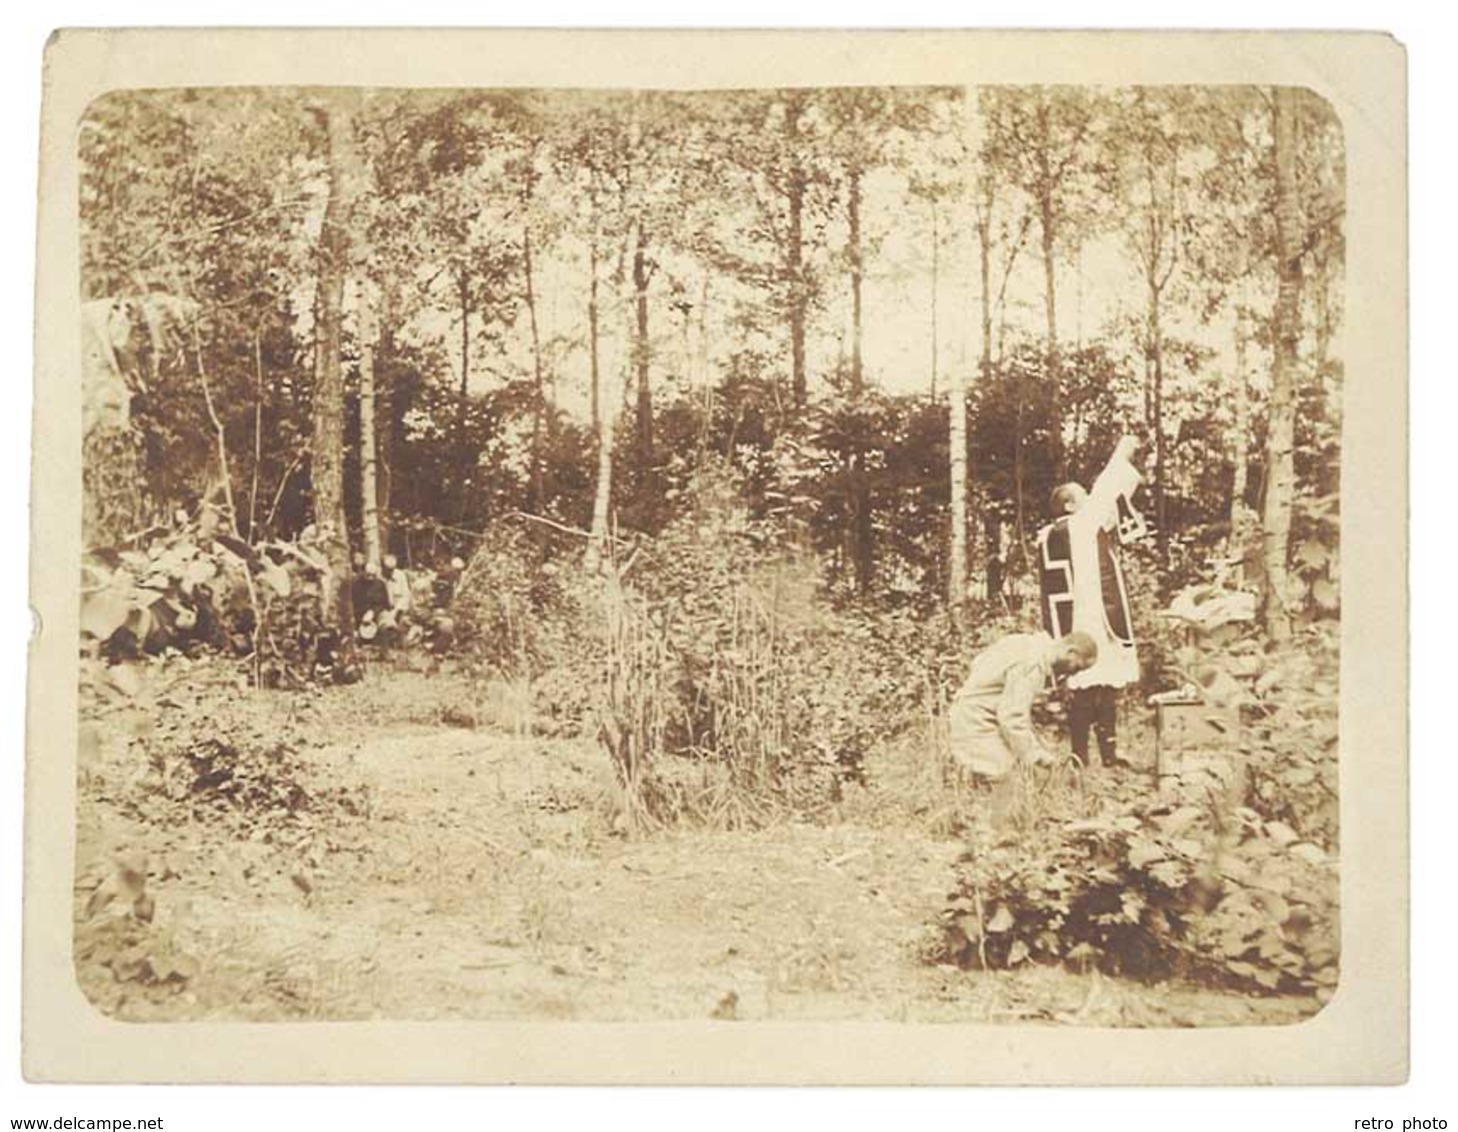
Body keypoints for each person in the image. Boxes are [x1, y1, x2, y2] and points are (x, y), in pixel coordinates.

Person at [1037, 436, 1144, 768]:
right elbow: (1107, 488)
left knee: (1102, 685)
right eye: (1080, 495)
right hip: (1090, 619)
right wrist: (1124, 448)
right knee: (1089, 687)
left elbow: (1105, 506)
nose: (1088, 498)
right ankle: (1086, 755)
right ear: (1069, 505)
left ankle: (1097, 755)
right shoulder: (1079, 525)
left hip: (1088, 615)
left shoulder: (1058, 532)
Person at [948, 630, 1099, 783]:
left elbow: (978, 662)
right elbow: (1012, 717)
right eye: (1077, 668)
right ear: (1070, 651)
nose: (1073, 674)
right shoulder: (1034, 663)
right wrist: (1035, 754)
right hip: (975, 721)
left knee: (1017, 768)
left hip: (970, 711)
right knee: (1008, 779)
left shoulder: (1026, 642)